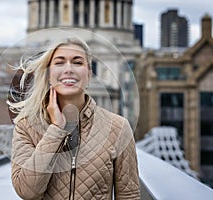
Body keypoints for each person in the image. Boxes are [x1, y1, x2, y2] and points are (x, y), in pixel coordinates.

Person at [8, 37, 140, 199]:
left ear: (90, 74)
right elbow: (26, 192)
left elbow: (129, 196)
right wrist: (55, 130)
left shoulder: (118, 128)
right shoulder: (26, 126)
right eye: (59, 62)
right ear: (49, 74)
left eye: (77, 62)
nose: (69, 69)